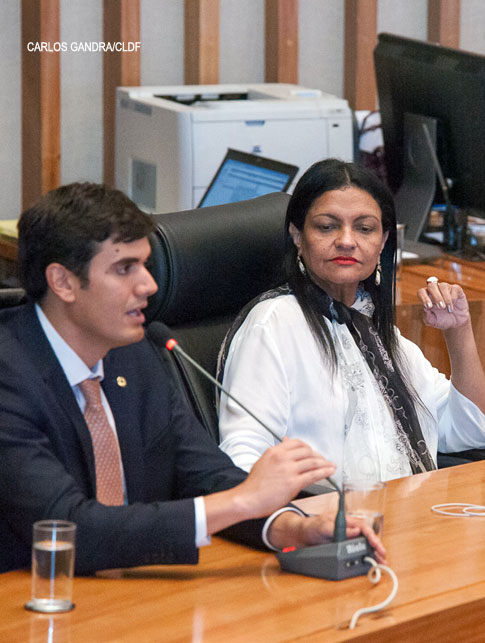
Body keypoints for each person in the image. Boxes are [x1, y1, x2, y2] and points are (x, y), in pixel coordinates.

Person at [0, 182, 382, 574]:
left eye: (146, 265)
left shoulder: (136, 353)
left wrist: (293, 527)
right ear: (62, 282)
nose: (149, 285)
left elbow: (205, 475)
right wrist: (244, 500)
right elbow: (66, 529)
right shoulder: (9, 375)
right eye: (124, 269)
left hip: (132, 591)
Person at [218, 159, 485, 484]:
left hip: (408, 519)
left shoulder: (375, 330)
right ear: (297, 236)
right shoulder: (273, 324)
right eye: (327, 226)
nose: (347, 241)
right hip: (324, 523)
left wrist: (458, 332)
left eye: (365, 228)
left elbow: (473, 432)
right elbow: (243, 457)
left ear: (382, 243)